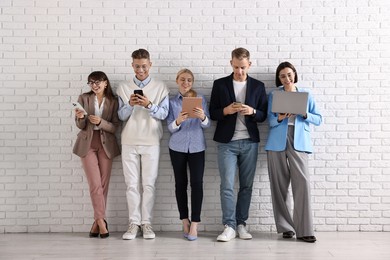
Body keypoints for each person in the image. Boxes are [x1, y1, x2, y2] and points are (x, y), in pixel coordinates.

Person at [209, 47, 268, 242]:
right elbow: (213, 113)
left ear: (249, 65)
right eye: (236, 67)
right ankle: (229, 225)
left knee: (246, 186)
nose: (239, 71)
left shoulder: (258, 87)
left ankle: (241, 224)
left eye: (243, 67)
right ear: (231, 63)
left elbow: (263, 116)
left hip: (249, 142)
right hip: (227, 143)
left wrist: (251, 111)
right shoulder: (220, 84)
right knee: (226, 186)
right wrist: (226, 110)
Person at [265, 61, 322, 243]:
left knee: (302, 184)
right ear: (279, 79)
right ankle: (286, 228)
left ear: (295, 75)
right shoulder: (274, 95)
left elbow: (318, 119)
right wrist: (281, 117)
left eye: (289, 75)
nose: (287, 79)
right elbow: (270, 121)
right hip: (277, 142)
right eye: (282, 76)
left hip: (299, 141)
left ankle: (305, 230)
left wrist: (304, 113)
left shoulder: (305, 94)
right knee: (279, 186)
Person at [117, 49, 170, 240]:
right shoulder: (123, 87)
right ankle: (134, 223)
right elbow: (120, 116)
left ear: (150, 65)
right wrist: (130, 105)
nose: (141, 70)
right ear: (132, 65)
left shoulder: (161, 87)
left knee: (149, 185)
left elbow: (164, 115)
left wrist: (148, 104)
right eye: (137, 66)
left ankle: (146, 223)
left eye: (144, 66)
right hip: (129, 141)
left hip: (151, 141)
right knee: (131, 185)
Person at [73, 71, 121, 239]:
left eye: (98, 82)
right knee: (95, 184)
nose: (94, 85)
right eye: (91, 82)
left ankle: (97, 223)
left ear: (105, 83)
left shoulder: (113, 101)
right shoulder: (83, 98)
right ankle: (101, 221)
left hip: (106, 144)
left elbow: (115, 127)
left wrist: (101, 122)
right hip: (87, 143)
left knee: (103, 185)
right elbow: (80, 125)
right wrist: (79, 118)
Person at [166, 69, 211, 241]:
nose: (186, 83)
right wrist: (178, 121)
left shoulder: (200, 100)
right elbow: (169, 127)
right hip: (177, 147)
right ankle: (184, 220)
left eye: (189, 80)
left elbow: (207, 125)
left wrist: (202, 117)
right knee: (180, 184)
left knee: (197, 184)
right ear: (177, 80)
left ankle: (195, 224)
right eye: (183, 79)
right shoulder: (172, 102)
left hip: (197, 147)